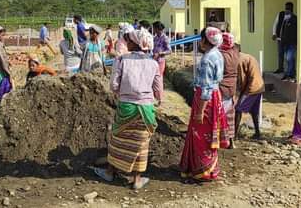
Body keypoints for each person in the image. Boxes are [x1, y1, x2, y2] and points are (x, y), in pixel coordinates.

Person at [94, 29, 163, 190]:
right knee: (141, 143)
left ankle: (110, 172)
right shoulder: (153, 63)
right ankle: (137, 180)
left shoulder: (122, 60)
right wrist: (157, 100)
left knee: (118, 139)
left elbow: (113, 85)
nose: (127, 43)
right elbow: (158, 88)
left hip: (126, 106)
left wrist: (122, 93)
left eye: (129, 41)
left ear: (134, 43)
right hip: (146, 109)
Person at [180, 27, 228, 182]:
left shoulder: (207, 59)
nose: (200, 42)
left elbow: (206, 88)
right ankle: (210, 167)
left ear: (205, 40)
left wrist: (200, 111)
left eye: (201, 39)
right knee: (209, 132)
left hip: (205, 100)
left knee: (201, 134)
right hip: (215, 97)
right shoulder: (218, 54)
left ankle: (203, 169)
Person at [235, 43, 264, 140]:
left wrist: (238, 94)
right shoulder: (247, 56)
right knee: (254, 111)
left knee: (238, 109)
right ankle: (257, 133)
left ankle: (234, 135)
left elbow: (241, 79)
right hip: (259, 87)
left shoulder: (238, 60)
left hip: (251, 88)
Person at [219, 32, 239, 148]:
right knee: (230, 116)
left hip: (221, 88)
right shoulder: (235, 53)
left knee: (219, 115)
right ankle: (231, 141)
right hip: (232, 88)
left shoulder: (221, 55)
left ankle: (219, 140)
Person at [272, 2, 297, 81]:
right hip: (281, 39)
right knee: (281, 54)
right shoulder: (281, 15)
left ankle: (290, 73)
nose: (287, 10)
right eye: (286, 8)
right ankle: (282, 69)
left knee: (289, 58)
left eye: (289, 8)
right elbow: (275, 24)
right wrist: (274, 33)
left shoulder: (294, 18)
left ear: (291, 9)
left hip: (290, 42)